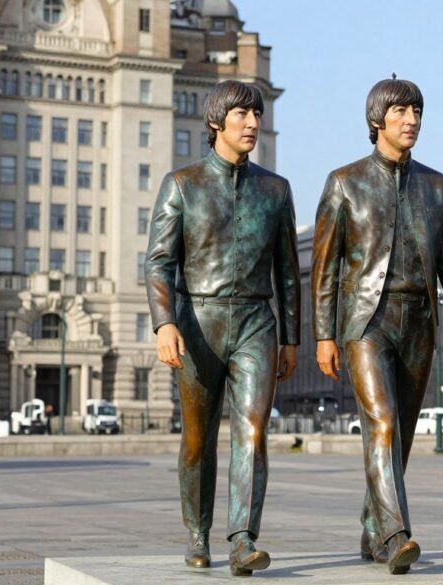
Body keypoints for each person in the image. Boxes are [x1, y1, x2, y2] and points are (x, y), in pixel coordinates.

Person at [311, 77, 443, 575]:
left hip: (419, 322)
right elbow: (326, 266)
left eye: (417, 112)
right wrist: (324, 333)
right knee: (380, 421)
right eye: (402, 112)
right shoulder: (345, 182)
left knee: (398, 433)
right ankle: (396, 533)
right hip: (366, 321)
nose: (412, 121)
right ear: (377, 120)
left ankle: (372, 525)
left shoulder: (436, 185)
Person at [145, 80, 301, 576]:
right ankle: (197, 531)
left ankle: (242, 538)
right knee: (197, 439)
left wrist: (291, 337)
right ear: (217, 123)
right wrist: (163, 324)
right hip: (197, 323)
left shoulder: (275, 190)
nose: (253, 124)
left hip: (257, 321)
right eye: (242, 116)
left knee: (252, 432)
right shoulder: (182, 184)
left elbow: (287, 271)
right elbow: (158, 262)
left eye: (257, 115)